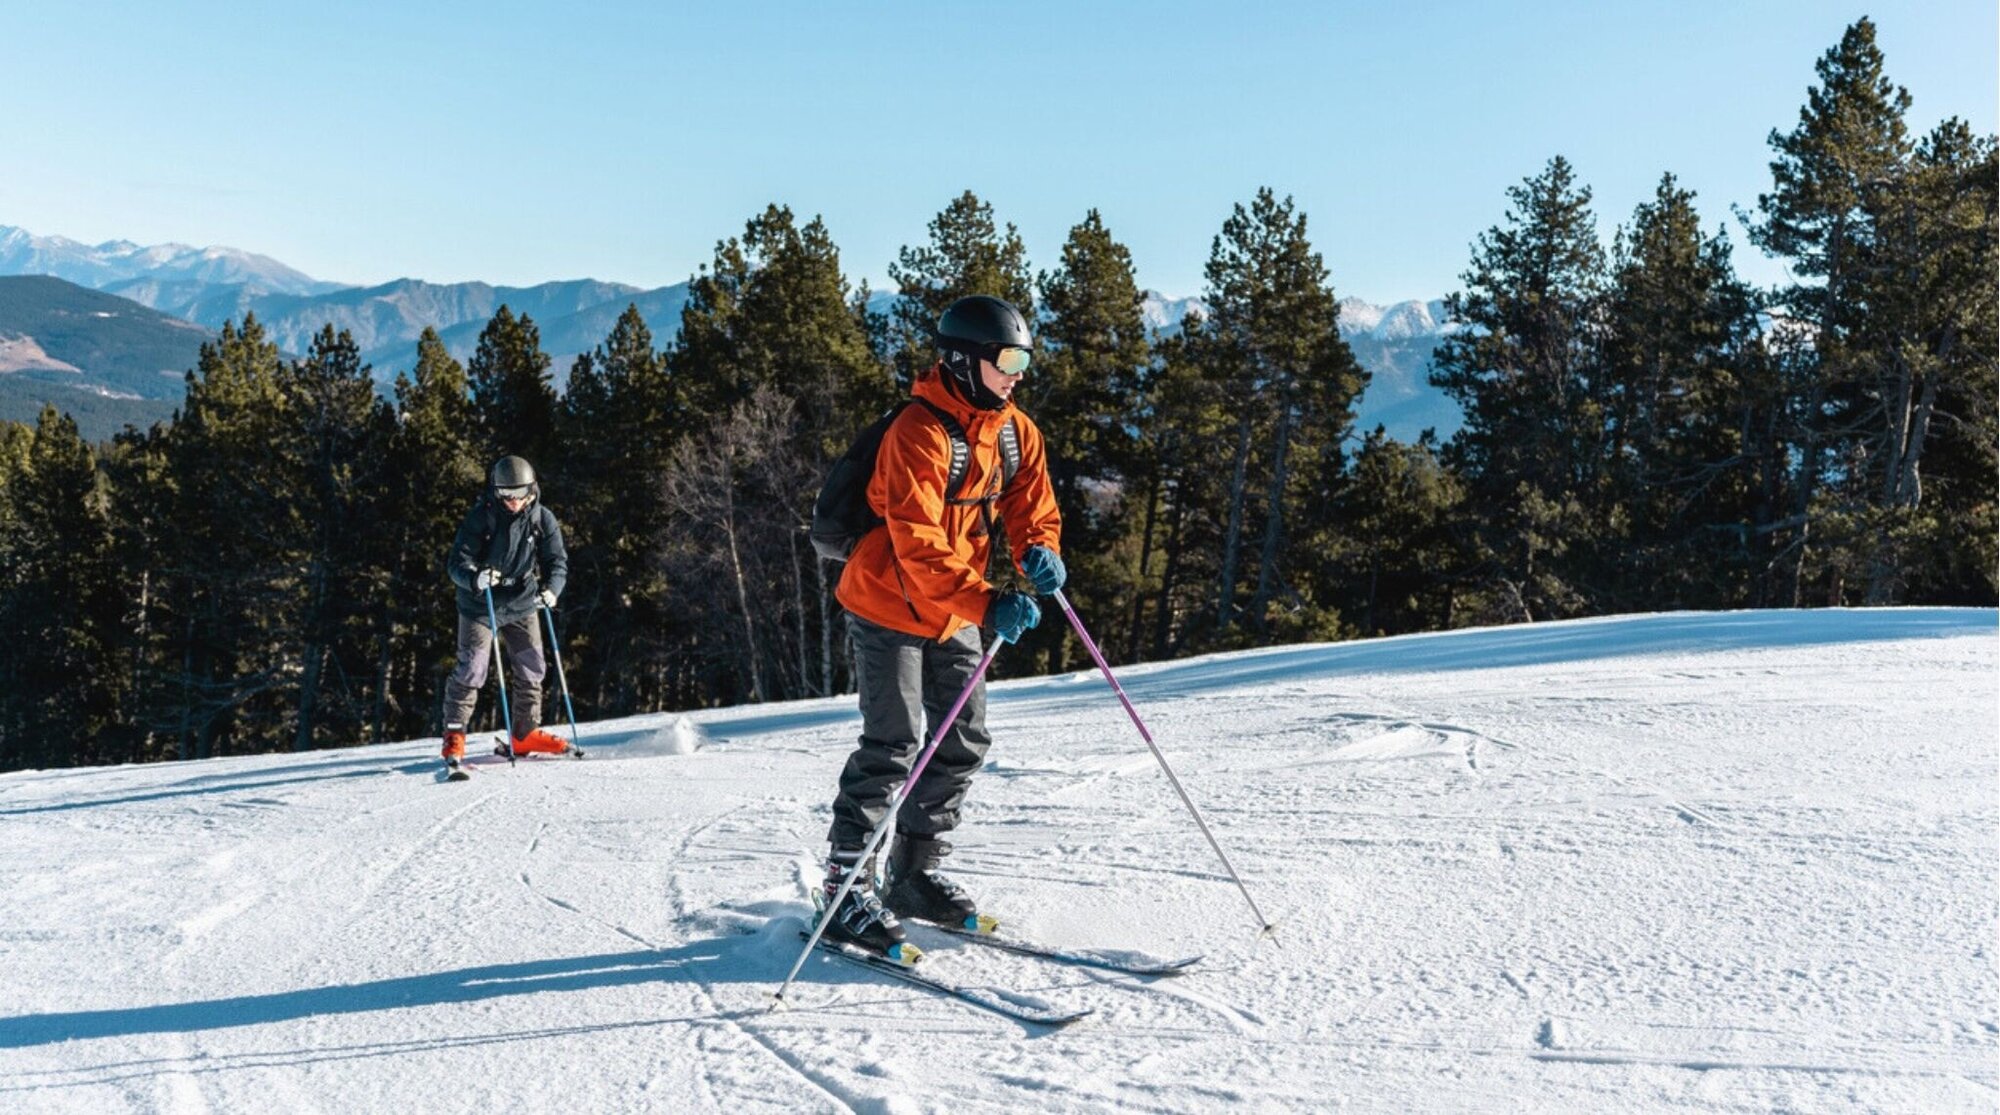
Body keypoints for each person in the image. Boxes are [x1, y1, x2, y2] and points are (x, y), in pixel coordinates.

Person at [817, 294, 1068, 957]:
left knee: (963, 737)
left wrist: (1041, 551)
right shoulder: (918, 434)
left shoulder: (1015, 431)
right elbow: (918, 544)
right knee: (894, 741)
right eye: (1008, 359)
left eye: (1024, 359)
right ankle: (845, 885)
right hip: (887, 602)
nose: (1018, 372)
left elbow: (1031, 503)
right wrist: (988, 603)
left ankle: (913, 871)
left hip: (954, 606)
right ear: (967, 359)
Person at [441, 455, 573, 764]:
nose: (513, 502)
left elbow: (557, 562)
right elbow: (456, 563)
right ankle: (454, 735)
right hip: (480, 604)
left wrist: (552, 590)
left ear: (532, 488)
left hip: (522, 599)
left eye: (520, 494)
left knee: (532, 666)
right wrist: (476, 577)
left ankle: (524, 734)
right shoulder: (480, 517)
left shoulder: (543, 519)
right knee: (473, 668)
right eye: (505, 495)